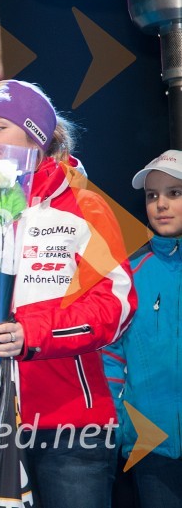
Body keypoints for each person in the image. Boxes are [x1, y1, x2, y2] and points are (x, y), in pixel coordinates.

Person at [0, 80, 136, 508]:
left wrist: (31, 333)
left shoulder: (83, 208)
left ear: (37, 138)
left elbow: (116, 305)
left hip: (69, 423)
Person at [104, 150, 182, 508]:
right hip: (150, 444)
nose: (161, 205)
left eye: (174, 193)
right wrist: (121, 426)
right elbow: (110, 356)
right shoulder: (128, 275)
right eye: (153, 196)